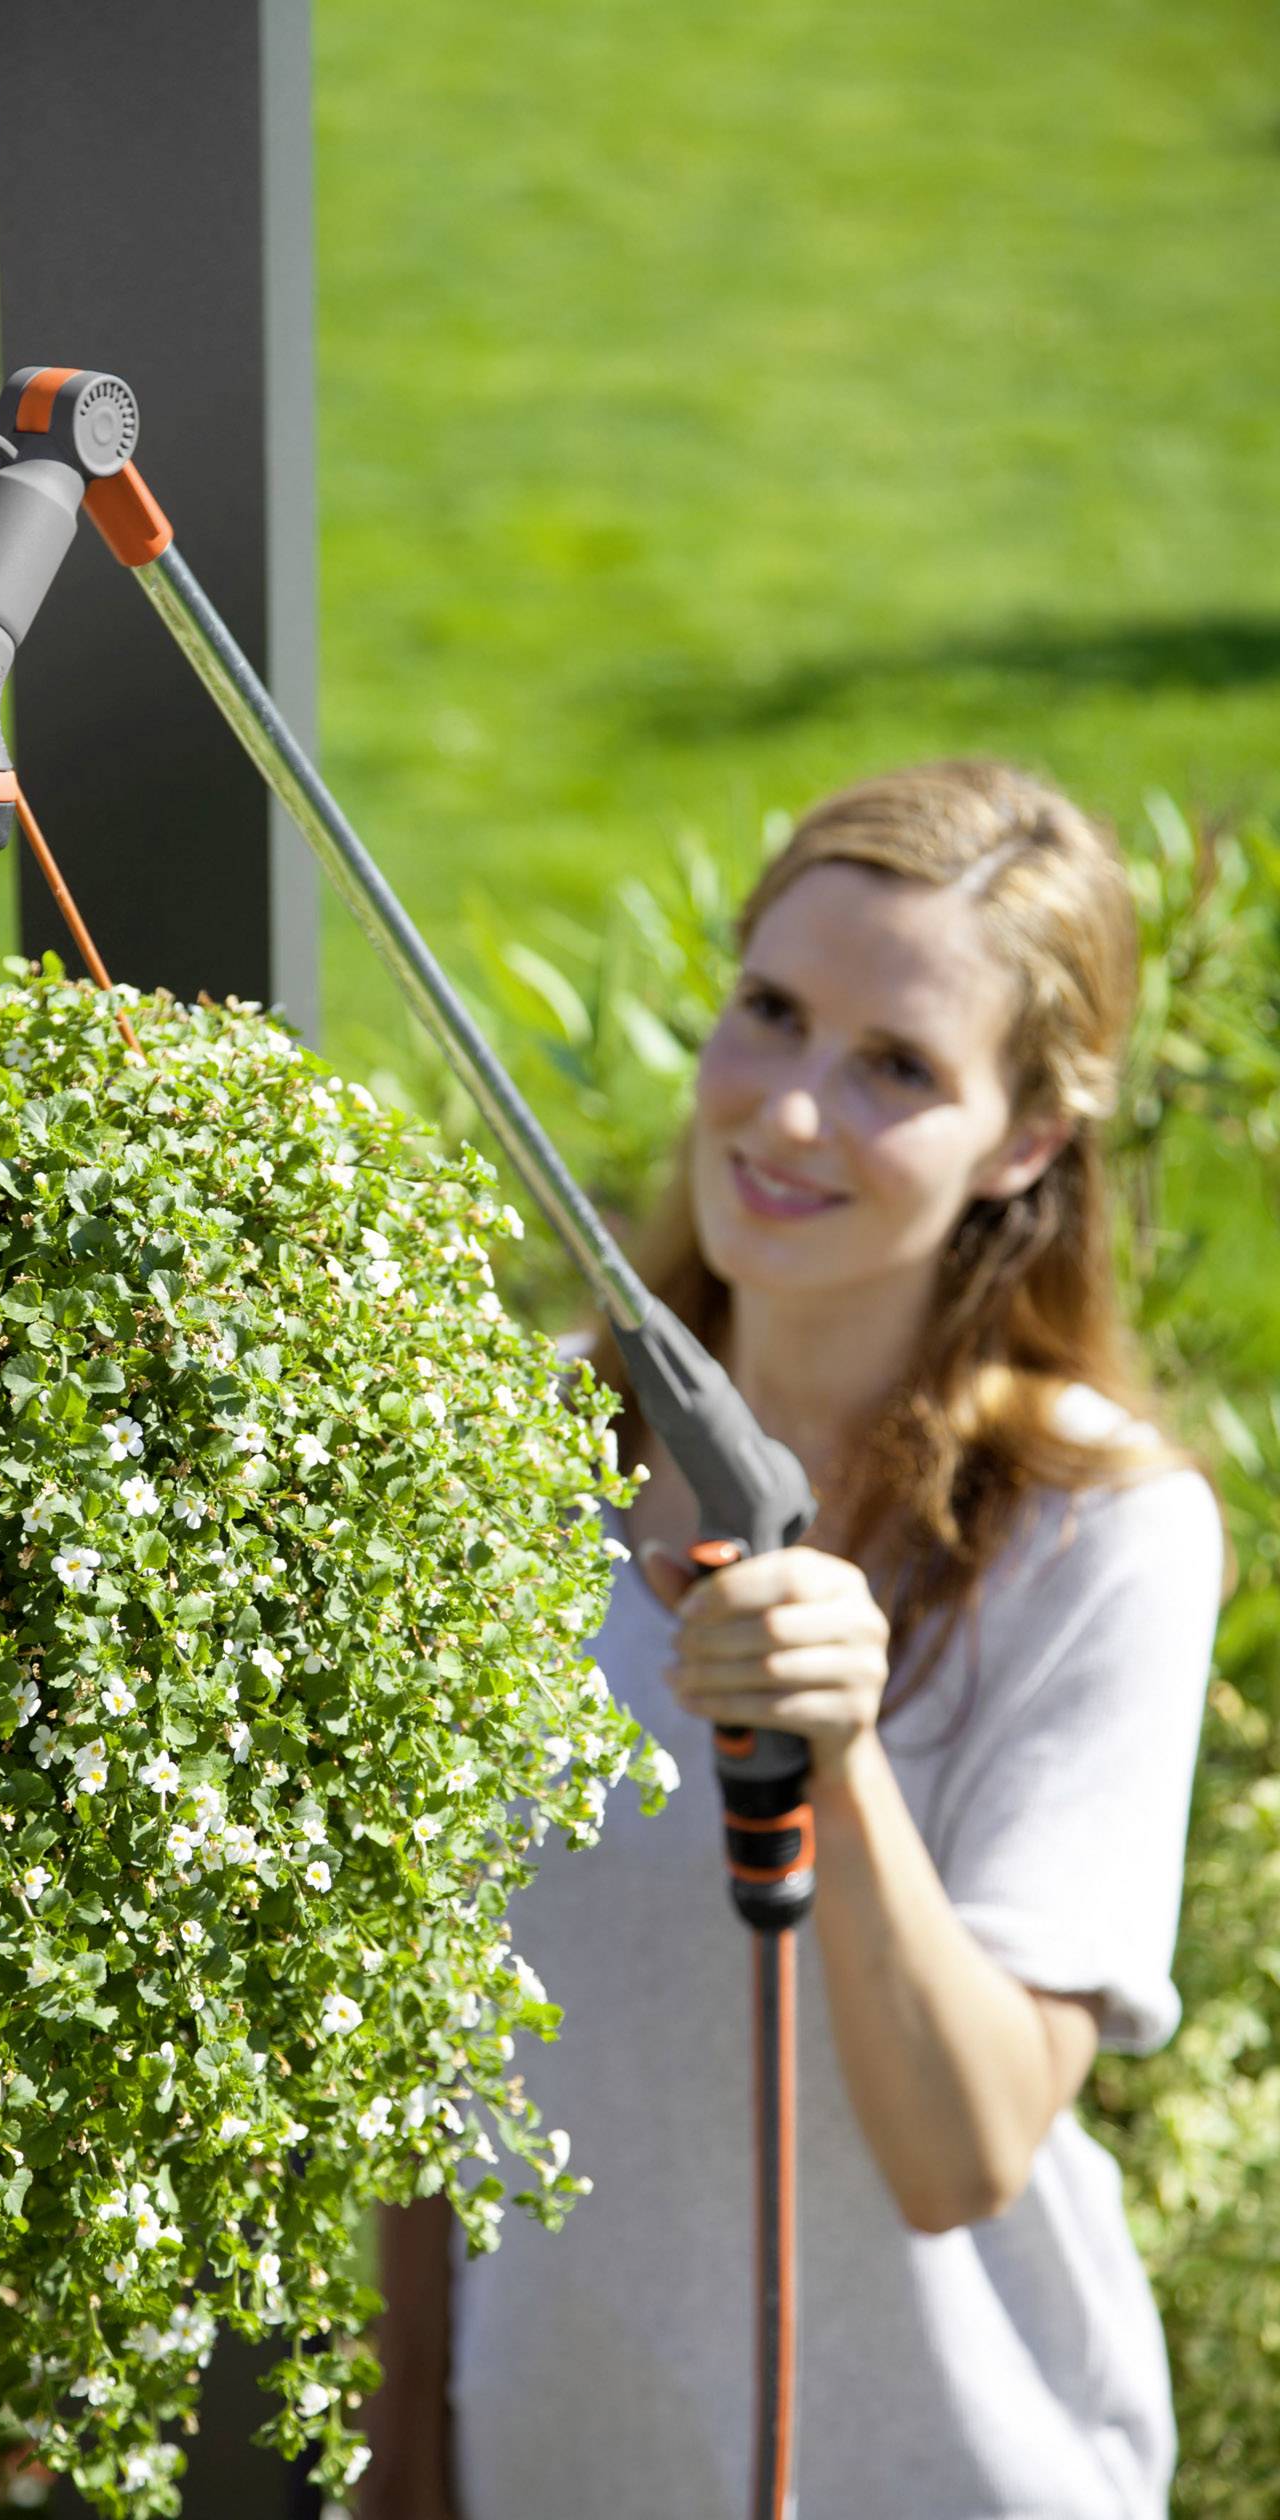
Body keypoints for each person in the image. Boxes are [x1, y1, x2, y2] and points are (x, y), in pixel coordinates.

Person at [359, 760, 1227, 2520]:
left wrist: (841, 1758)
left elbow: (964, 2153)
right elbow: (420, 2065)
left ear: (1029, 1140)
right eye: (771, 1012)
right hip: (558, 2471)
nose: (792, 1114)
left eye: (897, 1067)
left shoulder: (1104, 1537)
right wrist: (406, 2472)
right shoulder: (509, 1462)